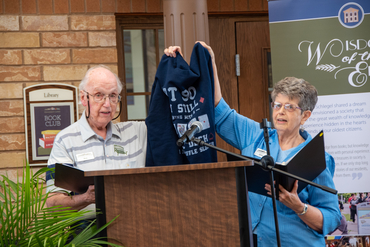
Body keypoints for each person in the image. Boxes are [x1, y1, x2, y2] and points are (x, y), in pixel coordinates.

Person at [165, 42, 341, 246]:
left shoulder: (316, 158)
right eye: (277, 105)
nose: (280, 111)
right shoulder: (256, 136)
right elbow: (218, 111)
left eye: (289, 107)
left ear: (305, 116)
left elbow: (331, 218)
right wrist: (209, 61)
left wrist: (298, 207)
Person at [46, 65, 147, 213]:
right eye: (99, 95)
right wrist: (86, 198)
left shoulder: (136, 132)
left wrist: (171, 65)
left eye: (113, 96)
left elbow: (166, 119)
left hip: (133, 224)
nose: (107, 104)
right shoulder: (65, 140)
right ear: (83, 98)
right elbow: (53, 203)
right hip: (88, 231)